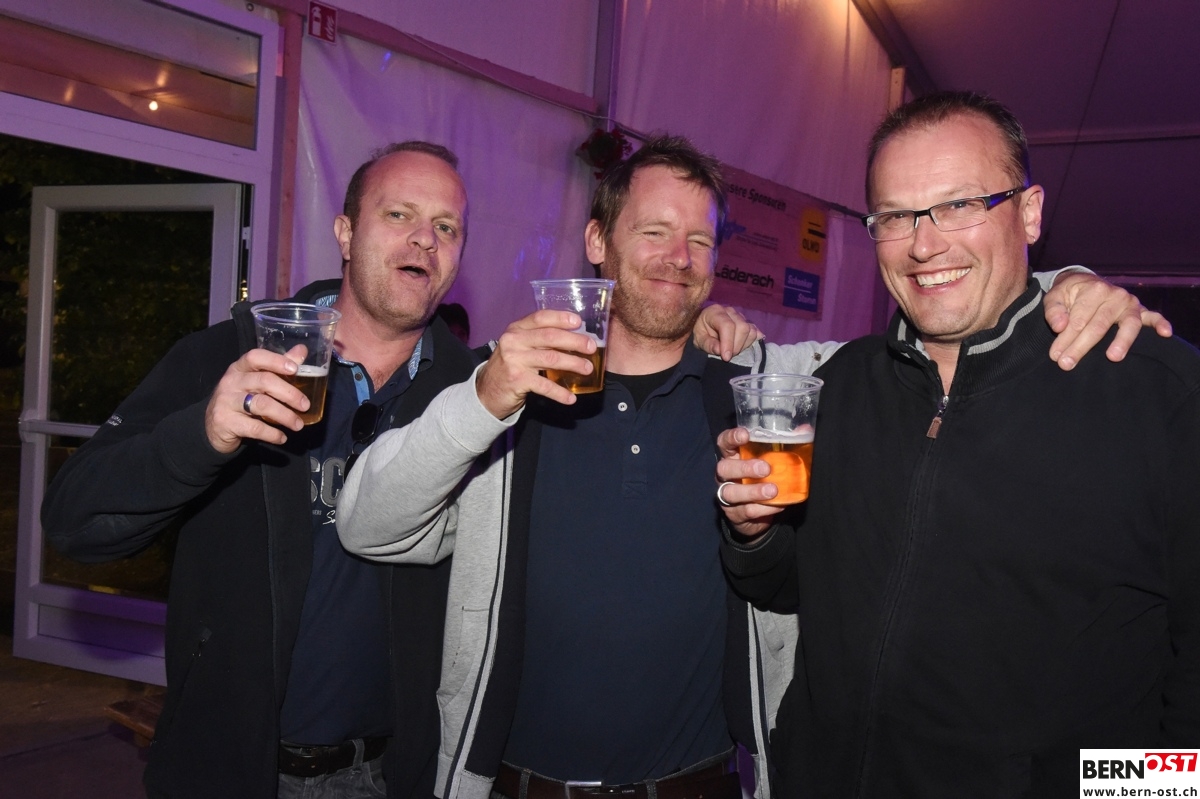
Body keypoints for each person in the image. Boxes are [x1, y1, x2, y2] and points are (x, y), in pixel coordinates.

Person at [334, 133, 1165, 799]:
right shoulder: (509, 397)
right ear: (597, 242)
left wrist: (1064, 283)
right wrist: (486, 396)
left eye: (699, 239)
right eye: (653, 232)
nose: (678, 256)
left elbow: (943, 314)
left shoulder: (768, 393)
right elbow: (366, 523)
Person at [715, 90, 1200, 797]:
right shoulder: (839, 387)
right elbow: (797, 590)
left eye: (960, 205)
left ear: (1029, 213)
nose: (924, 244)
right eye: (895, 216)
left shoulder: (1158, 395)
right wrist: (754, 535)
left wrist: (1133, 790)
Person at [41, 141, 478, 799]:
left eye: (446, 226)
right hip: (229, 766)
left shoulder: (475, 398)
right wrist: (203, 436)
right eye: (398, 214)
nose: (425, 238)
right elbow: (74, 522)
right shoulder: (228, 358)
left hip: (390, 774)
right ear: (345, 234)